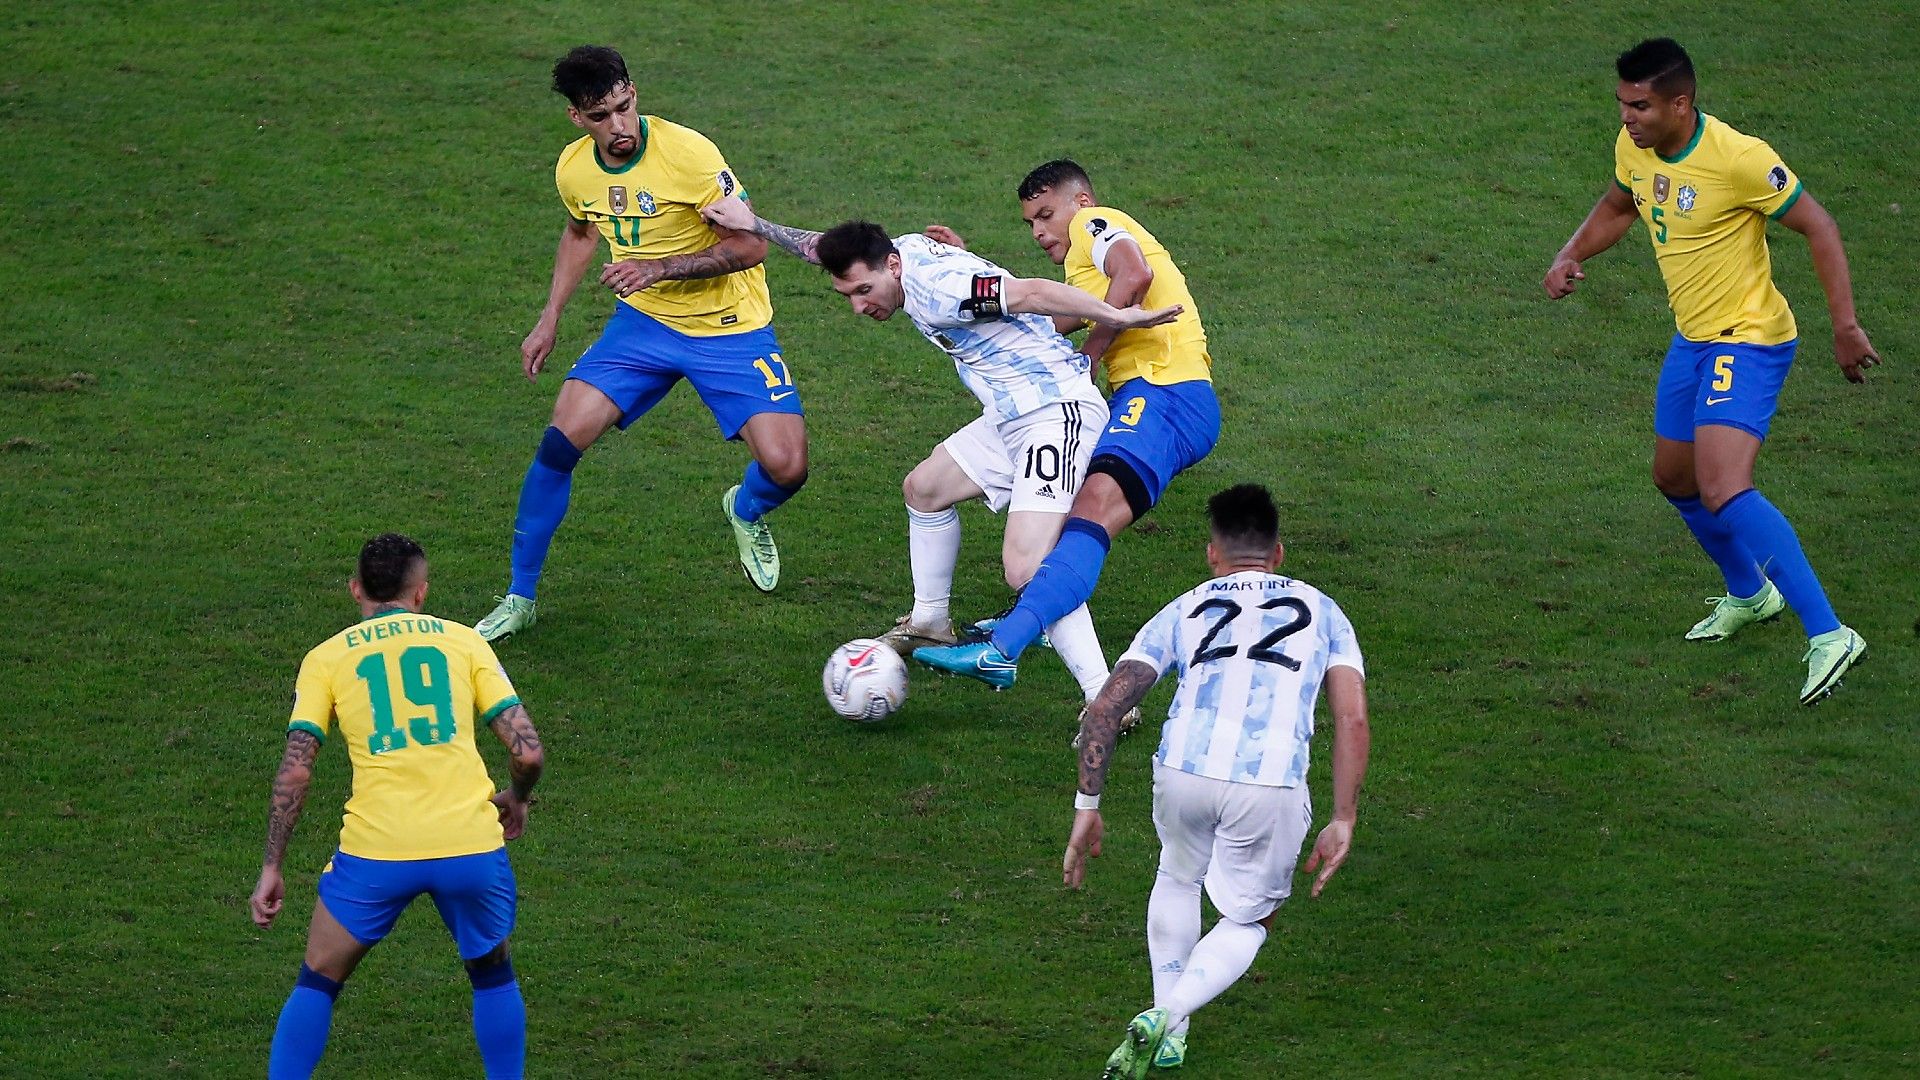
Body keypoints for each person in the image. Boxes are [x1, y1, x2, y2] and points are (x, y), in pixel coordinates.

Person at [700, 196, 1176, 718]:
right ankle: (929, 620)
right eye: (848, 294)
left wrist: (1117, 314)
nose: (860, 306)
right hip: (1012, 411)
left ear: (894, 267)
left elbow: (1035, 291)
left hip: (1054, 411)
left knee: (1026, 566)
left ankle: (1105, 696)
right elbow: (821, 248)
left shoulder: (941, 294)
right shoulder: (897, 251)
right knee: (924, 490)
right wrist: (755, 225)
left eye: (864, 291)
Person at [1543, 38, 1877, 704]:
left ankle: (1831, 634)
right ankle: (1752, 595)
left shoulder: (1739, 159)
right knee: (1674, 476)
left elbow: (1820, 226)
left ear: (1680, 103)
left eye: (1640, 106)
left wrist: (1844, 326)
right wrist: (1569, 253)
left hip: (1749, 340)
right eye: (1622, 104)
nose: (1628, 117)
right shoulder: (1634, 147)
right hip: (1695, 339)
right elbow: (1619, 206)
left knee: (1725, 484)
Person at [478, 45, 807, 641]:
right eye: (601, 116)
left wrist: (659, 268)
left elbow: (752, 246)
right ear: (577, 117)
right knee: (558, 443)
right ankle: (519, 596)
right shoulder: (574, 169)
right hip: (644, 327)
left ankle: (744, 507)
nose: (619, 126)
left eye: (625, 108)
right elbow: (581, 231)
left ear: (634, 92)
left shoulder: (690, 155)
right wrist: (549, 315)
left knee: (787, 467)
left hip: (728, 324)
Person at [1062, 484, 1369, 1078]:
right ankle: (1167, 1015)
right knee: (1252, 918)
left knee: (1177, 875)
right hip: (1269, 782)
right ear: (1278, 553)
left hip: (1182, 770)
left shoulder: (1186, 607)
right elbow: (1351, 717)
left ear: (1212, 553)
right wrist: (1343, 817)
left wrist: (1087, 804)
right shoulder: (1325, 610)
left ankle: (1170, 1031)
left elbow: (1105, 709)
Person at [912, 160, 1220, 691]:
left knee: (1090, 513)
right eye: (1030, 222)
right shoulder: (1082, 269)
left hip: (1168, 391)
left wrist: (1095, 349)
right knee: (1074, 516)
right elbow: (1040, 320)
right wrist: (964, 274)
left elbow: (1134, 276)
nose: (1038, 231)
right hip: (1148, 396)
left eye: (1045, 214)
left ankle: (1008, 647)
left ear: (1079, 202)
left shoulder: (1093, 223)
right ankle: (1030, 621)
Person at [251, 534, 546, 1079]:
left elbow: (296, 769)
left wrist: (273, 865)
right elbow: (528, 752)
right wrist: (517, 801)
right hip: (470, 846)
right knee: (492, 974)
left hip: (376, 853)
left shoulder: (327, 658)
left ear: (355, 589)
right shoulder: (463, 643)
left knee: (318, 978)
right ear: (421, 592)